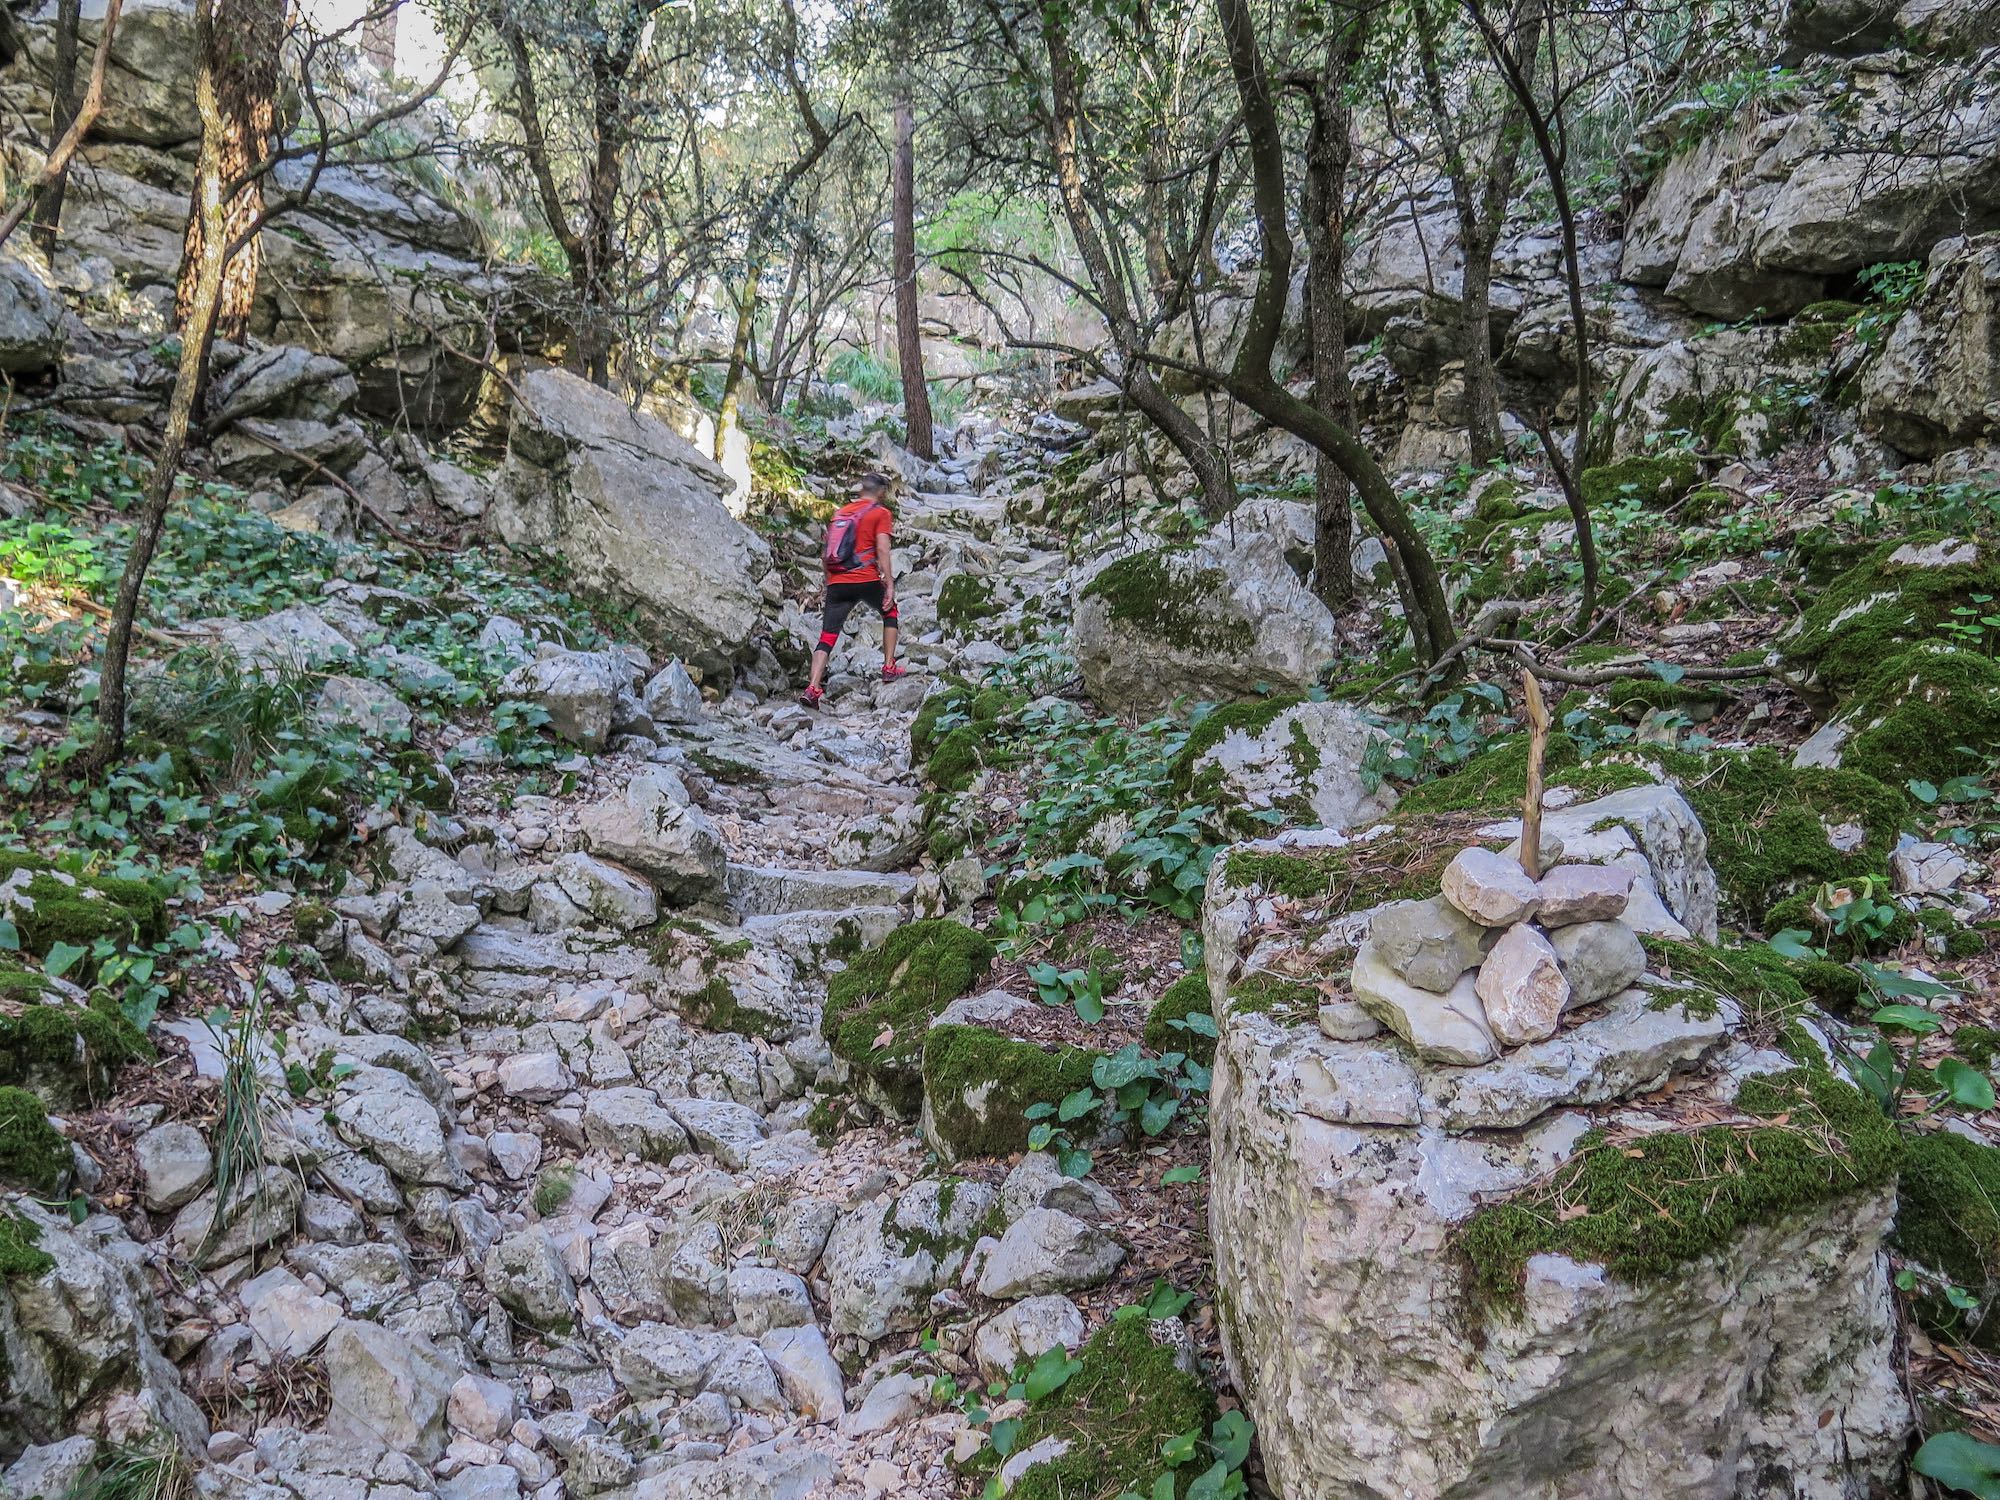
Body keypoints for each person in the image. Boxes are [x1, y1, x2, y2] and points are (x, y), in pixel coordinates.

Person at [802, 472, 905, 708]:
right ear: (880, 492)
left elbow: (826, 551)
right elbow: (882, 549)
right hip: (865, 578)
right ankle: (889, 667)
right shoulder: (880, 513)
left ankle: (813, 688)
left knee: (827, 636)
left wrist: (830, 580)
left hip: (838, 581)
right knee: (890, 613)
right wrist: (889, 583)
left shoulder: (841, 512)